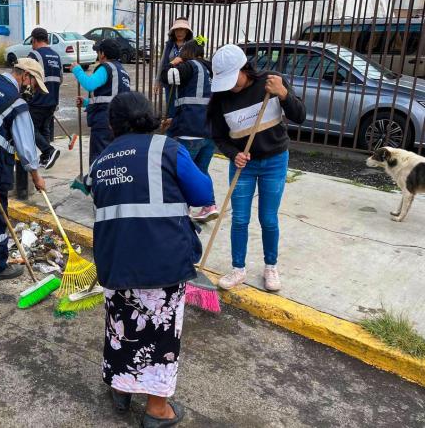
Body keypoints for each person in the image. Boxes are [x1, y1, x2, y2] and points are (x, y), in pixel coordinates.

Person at [86, 92, 212, 427]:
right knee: (161, 333)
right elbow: (203, 194)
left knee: (122, 326)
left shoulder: (100, 161)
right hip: (162, 261)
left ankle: (121, 388)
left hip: (115, 261)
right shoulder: (166, 149)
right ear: (150, 117)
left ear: (112, 124)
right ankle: (157, 410)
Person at [208, 44, 306, 292]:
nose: (231, 86)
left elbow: (300, 115)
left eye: (234, 80)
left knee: (268, 218)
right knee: (240, 218)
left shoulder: (271, 83)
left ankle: (270, 266)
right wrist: (234, 154)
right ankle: (238, 268)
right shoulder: (221, 98)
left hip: (275, 161)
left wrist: (283, 94)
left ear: (244, 68)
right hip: (244, 165)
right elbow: (219, 137)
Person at [0, 58, 47, 283]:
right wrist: (36, 176)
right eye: (33, 83)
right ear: (26, 76)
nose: (32, 89)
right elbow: (26, 147)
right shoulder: (17, 103)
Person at [161, 36, 219, 223]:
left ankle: (182, 209)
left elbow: (166, 77)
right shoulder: (211, 70)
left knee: (183, 171)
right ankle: (209, 205)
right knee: (202, 170)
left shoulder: (189, 66)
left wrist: (172, 63)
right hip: (210, 130)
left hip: (189, 130)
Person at [70, 38, 131, 165]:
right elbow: (112, 96)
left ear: (103, 53)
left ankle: (96, 184)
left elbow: (89, 84)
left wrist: (77, 70)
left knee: (99, 160)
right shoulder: (122, 71)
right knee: (115, 159)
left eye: (98, 52)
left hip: (104, 121)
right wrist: (87, 103)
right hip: (120, 121)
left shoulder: (106, 68)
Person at [27, 27, 61, 169]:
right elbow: (61, 78)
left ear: (34, 40)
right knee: (44, 128)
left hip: (38, 99)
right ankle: (46, 158)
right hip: (53, 98)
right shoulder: (56, 55)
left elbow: (27, 78)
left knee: (30, 128)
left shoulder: (34, 55)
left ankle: (48, 150)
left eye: (32, 42)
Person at [154, 17, 193, 119]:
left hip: (185, 82)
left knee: (183, 106)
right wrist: (157, 81)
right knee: (171, 107)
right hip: (170, 81)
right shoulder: (169, 45)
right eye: (177, 29)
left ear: (187, 31)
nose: (179, 32)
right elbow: (162, 63)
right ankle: (171, 129)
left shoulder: (191, 45)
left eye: (182, 29)